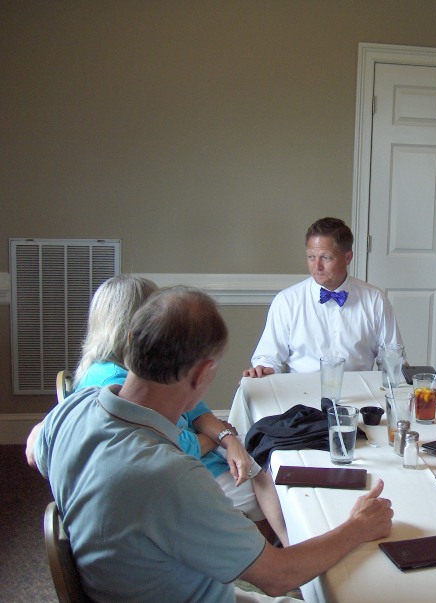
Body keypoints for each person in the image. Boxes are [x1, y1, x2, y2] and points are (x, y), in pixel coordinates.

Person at [27, 286, 393, 602]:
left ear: (131, 342)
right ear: (204, 374)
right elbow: (278, 576)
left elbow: (33, 451)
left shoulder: (74, 410)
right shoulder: (170, 476)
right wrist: (357, 526)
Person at [71, 274, 288, 546]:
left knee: (264, 454)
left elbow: (195, 410)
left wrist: (227, 438)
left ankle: (280, 542)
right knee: (270, 484)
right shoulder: (115, 383)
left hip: (200, 456)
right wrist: (221, 436)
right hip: (194, 469)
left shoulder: (126, 374)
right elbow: (175, 447)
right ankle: (270, 543)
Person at [244, 217, 403, 377]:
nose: (317, 266)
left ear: (348, 257)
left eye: (326, 258)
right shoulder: (287, 301)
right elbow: (269, 357)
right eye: (311, 257)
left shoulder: (375, 300)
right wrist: (264, 368)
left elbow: (392, 359)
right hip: (301, 389)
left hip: (359, 390)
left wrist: (397, 373)